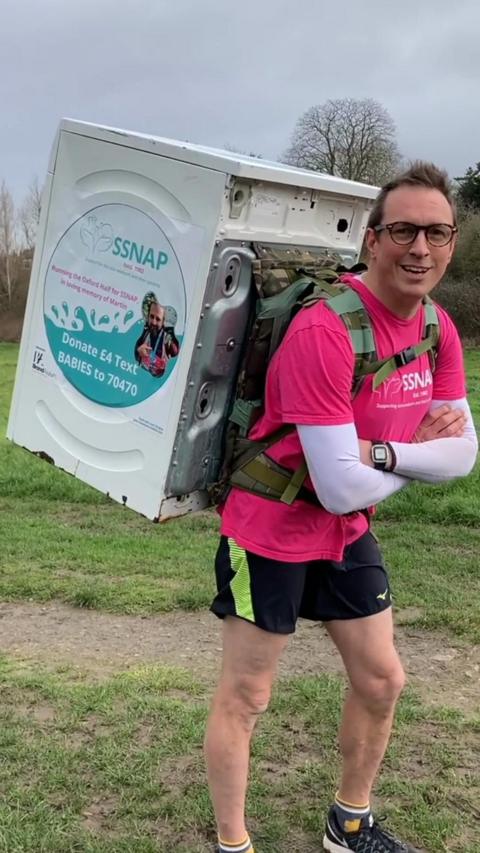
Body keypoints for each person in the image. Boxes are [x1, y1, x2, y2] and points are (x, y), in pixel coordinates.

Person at [204, 162, 478, 853]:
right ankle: (233, 844)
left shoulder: (437, 328)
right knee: (247, 694)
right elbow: (336, 485)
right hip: (270, 524)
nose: (421, 248)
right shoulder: (326, 330)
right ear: (373, 238)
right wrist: (412, 455)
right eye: (404, 230)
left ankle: (347, 824)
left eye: (437, 232)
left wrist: (383, 457)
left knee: (382, 678)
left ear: (452, 242)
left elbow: (463, 454)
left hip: (346, 529)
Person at [134, 297, 179, 377]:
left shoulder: (166, 337)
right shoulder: (147, 330)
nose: (154, 322)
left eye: (158, 319)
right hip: (143, 372)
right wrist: (139, 351)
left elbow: (174, 352)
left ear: (163, 321)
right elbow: (138, 348)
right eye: (151, 317)